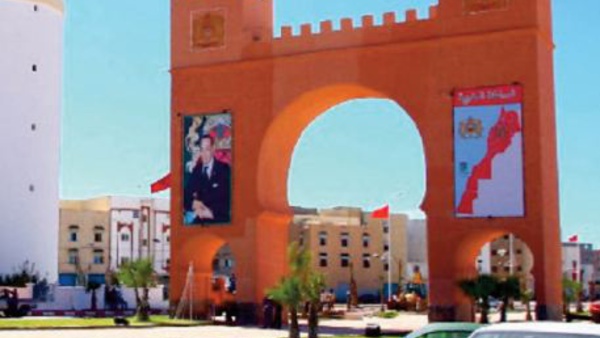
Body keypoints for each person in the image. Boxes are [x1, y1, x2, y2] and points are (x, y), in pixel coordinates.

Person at [184, 134, 231, 224]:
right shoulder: (196, 171)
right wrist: (193, 203)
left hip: (219, 222)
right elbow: (185, 196)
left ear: (213, 149)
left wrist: (212, 213)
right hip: (200, 223)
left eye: (207, 149)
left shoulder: (224, 170)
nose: (204, 154)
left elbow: (229, 202)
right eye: (202, 149)